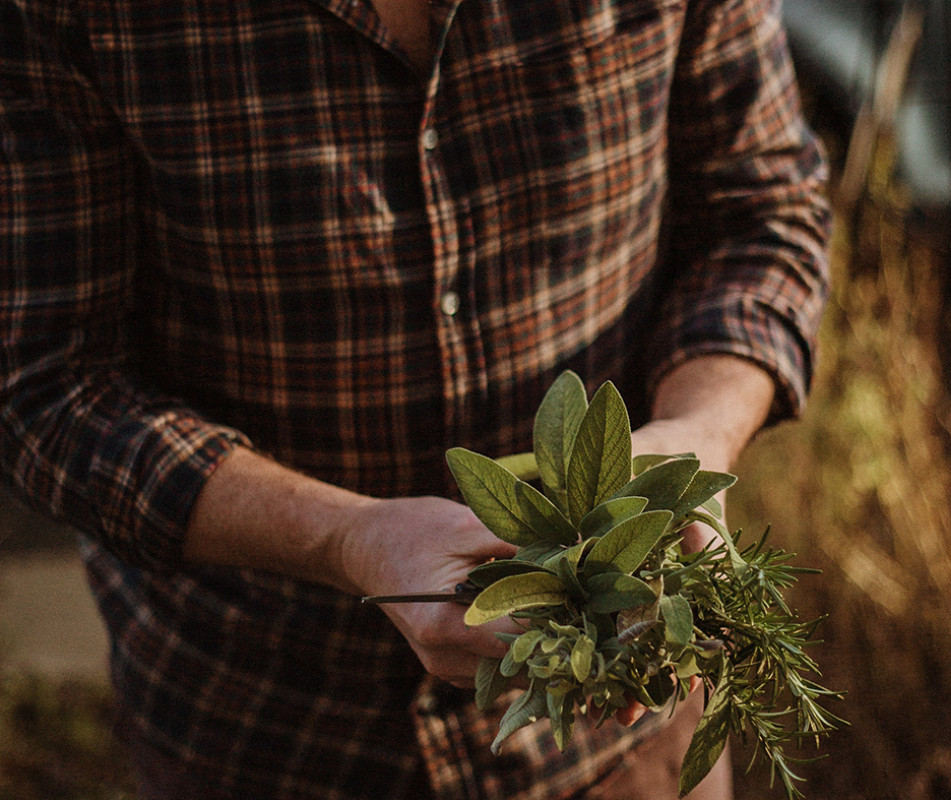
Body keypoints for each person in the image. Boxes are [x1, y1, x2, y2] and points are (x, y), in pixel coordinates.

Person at [0, 0, 830, 797]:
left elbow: (762, 214)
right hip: (267, 730)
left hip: (618, 723)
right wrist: (347, 538)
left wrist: (695, 435)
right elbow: (46, 385)